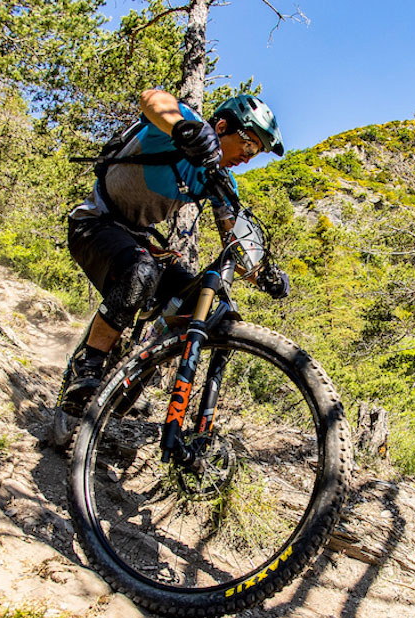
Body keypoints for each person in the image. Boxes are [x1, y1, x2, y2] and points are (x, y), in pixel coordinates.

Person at [59, 88, 289, 415]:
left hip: (141, 242)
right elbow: (153, 100)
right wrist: (183, 130)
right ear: (222, 126)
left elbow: (237, 246)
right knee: (141, 272)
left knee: (204, 305)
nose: (249, 157)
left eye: (258, 152)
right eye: (249, 143)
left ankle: (134, 373)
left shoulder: (220, 181)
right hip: (94, 223)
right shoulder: (184, 127)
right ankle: (88, 366)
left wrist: (264, 275)